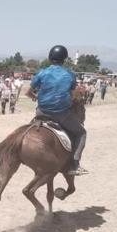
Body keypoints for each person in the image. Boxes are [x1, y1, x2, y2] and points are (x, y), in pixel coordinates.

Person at [26, 45, 88, 176]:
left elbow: (28, 92)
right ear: (64, 60)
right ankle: (75, 164)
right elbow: (72, 95)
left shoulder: (42, 72)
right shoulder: (70, 75)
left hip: (41, 112)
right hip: (60, 114)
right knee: (81, 133)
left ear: (49, 58)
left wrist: (35, 97)